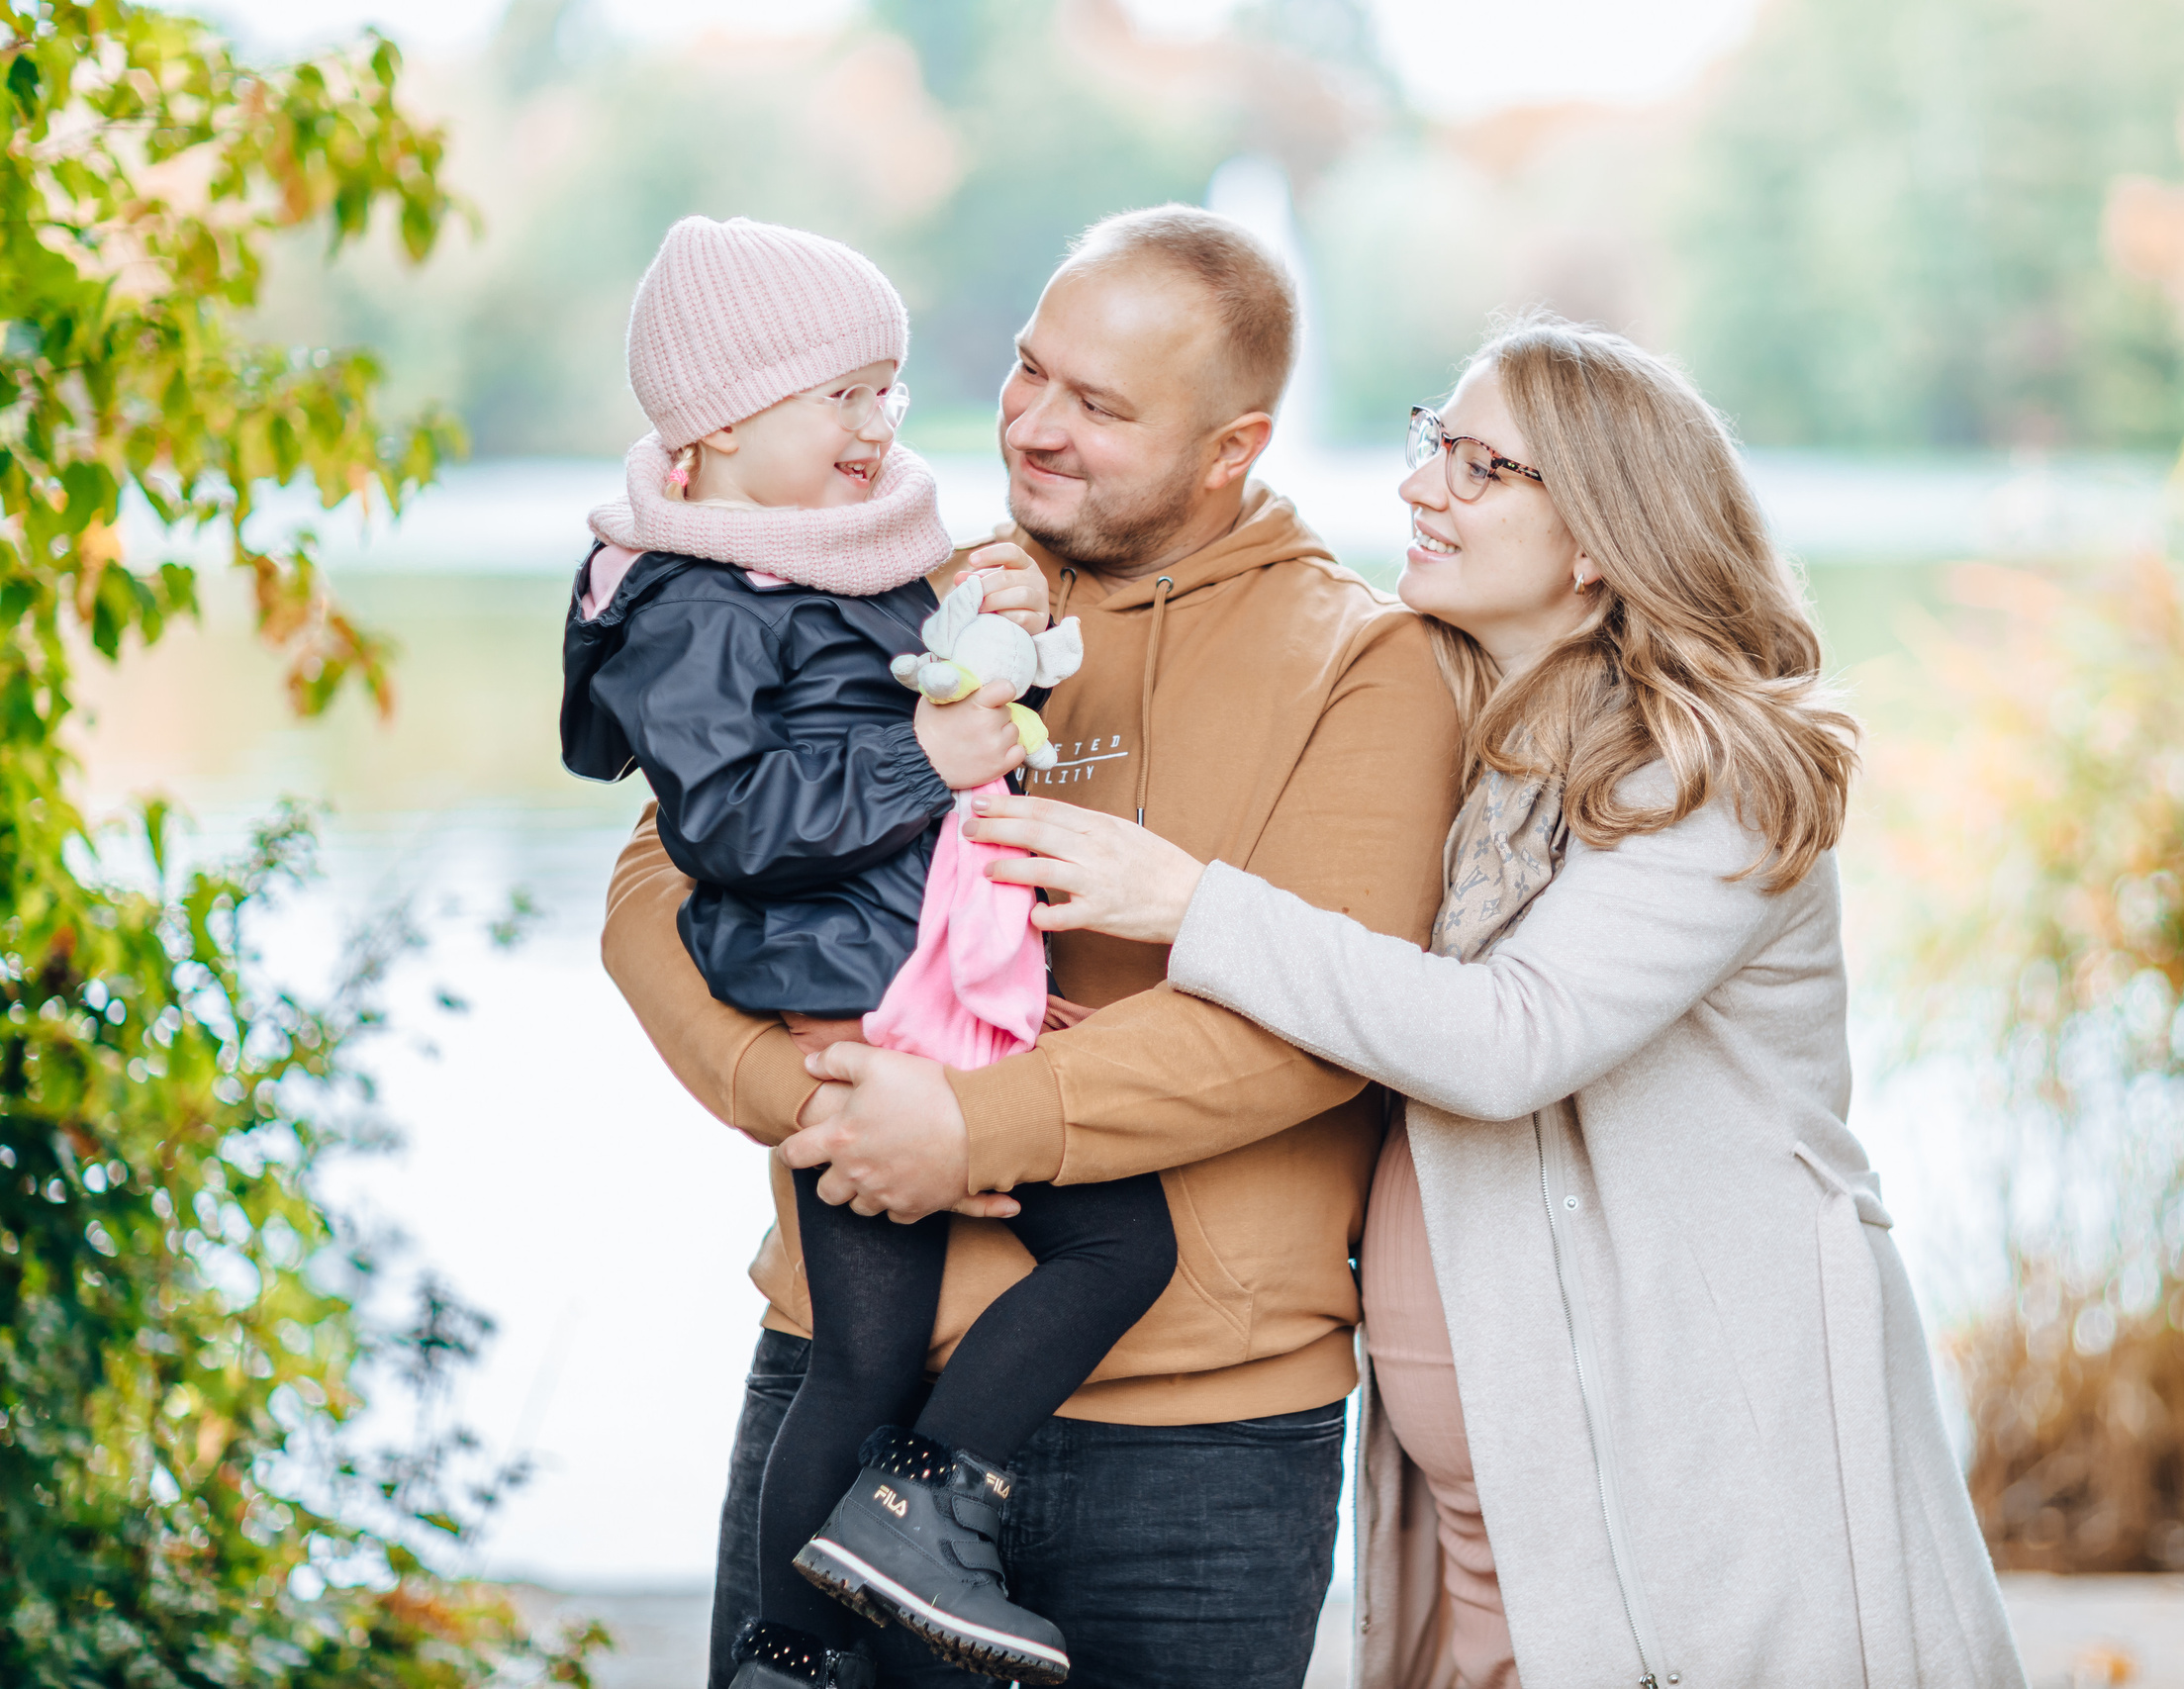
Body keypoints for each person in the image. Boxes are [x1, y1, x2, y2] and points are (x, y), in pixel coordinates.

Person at [964, 314, 2034, 1689]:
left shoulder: (1707, 777)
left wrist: (1190, 904)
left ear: (1595, 536)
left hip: (1684, 1443)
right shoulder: (1472, 733)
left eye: (1480, 467)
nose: (1421, 485)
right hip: (1493, 1484)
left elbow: (1509, 1040)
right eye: (1434, 443)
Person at [598, 205, 1466, 1689]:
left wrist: (966, 1126)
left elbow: (1316, 1020)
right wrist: (813, 1100)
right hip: (845, 1377)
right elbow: (657, 885)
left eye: (1100, 406)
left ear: (1234, 447)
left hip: (1195, 1449)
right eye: (1028, 368)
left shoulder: (1366, 662)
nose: (1032, 425)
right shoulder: (884, 579)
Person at [560, 216, 1180, 1688]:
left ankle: (830, 1610)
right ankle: (902, 1532)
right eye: (842, 395)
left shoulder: (827, 554)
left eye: (888, 390)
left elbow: (904, 709)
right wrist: (923, 753)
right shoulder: (690, 600)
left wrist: (990, 637)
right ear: (721, 422)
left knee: (887, 1344)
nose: (879, 424)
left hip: (912, 971)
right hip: (859, 997)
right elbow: (728, 823)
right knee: (1073, 1265)